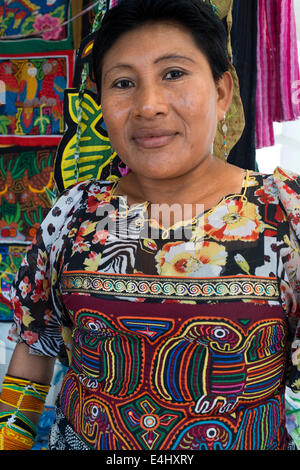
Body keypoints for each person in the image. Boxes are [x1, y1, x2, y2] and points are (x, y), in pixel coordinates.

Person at [0, 0, 300, 451]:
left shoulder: (284, 213)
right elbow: (34, 343)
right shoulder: (75, 212)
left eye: (174, 73)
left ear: (222, 92)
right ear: (100, 103)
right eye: (123, 83)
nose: (148, 105)